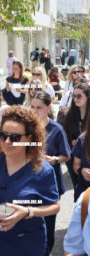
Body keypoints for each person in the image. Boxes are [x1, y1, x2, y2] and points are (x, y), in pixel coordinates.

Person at [0, 106, 60, 256]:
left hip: (27, 246)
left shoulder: (42, 170)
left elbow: (55, 206)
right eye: (3, 135)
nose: (7, 141)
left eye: (15, 137)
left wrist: (27, 211)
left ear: (29, 138)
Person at [31, 92, 71, 256]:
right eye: (32, 107)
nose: (35, 111)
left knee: (48, 226)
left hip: (49, 184)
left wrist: (54, 159)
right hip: (29, 184)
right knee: (31, 224)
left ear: (48, 108)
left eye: (39, 107)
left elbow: (67, 156)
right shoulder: (26, 128)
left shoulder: (57, 129)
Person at [63, 83, 90, 191]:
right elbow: (65, 136)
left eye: (79, 96)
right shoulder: (70, 114)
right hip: (74, 156)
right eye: (74, 96)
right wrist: (72, 141)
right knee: (78, 187)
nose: (76, 99)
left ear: (87, 96)